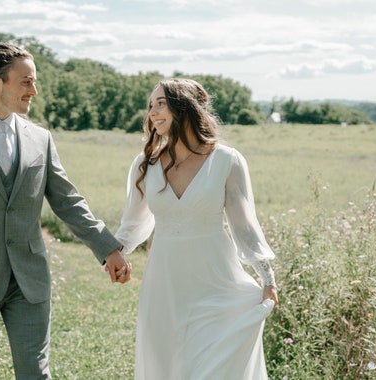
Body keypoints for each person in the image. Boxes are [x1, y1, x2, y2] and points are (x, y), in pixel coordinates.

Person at [0, 42, 131, 380]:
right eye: (26, 81)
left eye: (34, 81)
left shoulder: (40, 139)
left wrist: (108, 248)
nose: (34, 90)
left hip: (29, 279)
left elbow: (67, 200)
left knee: (36, 372)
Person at [115, 78, 278, 379]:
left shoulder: (227, 160)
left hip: (216, 278)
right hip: (164, 283)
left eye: (160, 103)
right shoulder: (145, 164)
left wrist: (267, 277)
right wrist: (114, 253)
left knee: (209, 364)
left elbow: (245, 227)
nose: (152, 112)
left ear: (185, 107)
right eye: (150, 106)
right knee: (167, 363)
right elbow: (132, 224)